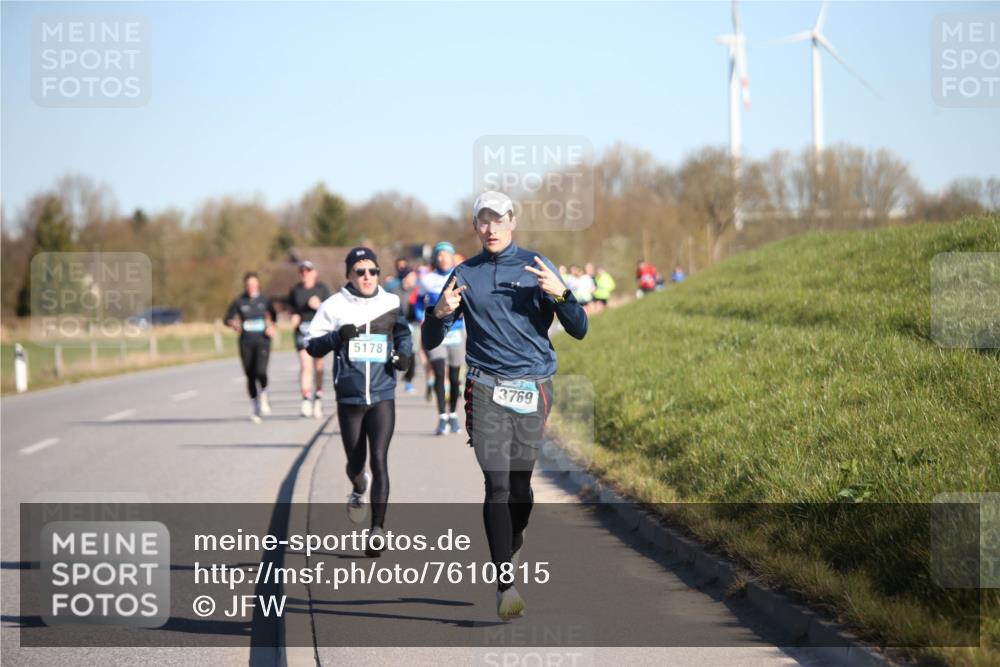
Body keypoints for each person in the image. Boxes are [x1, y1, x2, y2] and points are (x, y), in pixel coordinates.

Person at [422, 191, 588, 620]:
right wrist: (439, 313)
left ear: (513, 221)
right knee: (495, 484)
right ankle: (505, 583)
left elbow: (580, 329)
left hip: (532, 385)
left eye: (498, 219)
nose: (491, 228)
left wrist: (563, 295)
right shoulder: (464, 273)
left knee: (520, 488)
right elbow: (429, 340)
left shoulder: (537, 266)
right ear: (475, 226)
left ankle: (513, 540)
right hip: (484, 386)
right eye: (483, 220)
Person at [306, 247, 413, 557]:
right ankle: (357, 488)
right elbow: (311, 346)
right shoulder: (334, 306)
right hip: (350, 396)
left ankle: (377, 530)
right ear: (349, 275)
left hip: (382, 395)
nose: (367, 277)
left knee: (379, 459)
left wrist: (403, 355)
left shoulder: (391, 302)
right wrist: (337, 337)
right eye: (360, 271)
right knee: (357, 464)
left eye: (373, 271)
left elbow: (403, 335)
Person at [417, 241, 466, 435]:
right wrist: (425, 317)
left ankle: (453, 414)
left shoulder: (461, 276)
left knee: (455, 378)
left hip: (456, 332)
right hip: (437, 333)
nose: (441, 257)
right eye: (438, 254)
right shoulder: (427, 279)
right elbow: (418, 303)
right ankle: (442, 418)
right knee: (438, 372)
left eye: (445, 254)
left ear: (452, 256)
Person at [225, 272, 277, 423]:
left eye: (254, 284)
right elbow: (227, 318)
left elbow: (274, 316)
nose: (251, 287)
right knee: (250, 375)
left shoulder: (265, 300)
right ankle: (255, 405)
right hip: (246, 341)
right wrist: (233, 323)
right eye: (248, 285)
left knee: (261, 371)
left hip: (263, 340)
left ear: (258, 285)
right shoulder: (240, 301)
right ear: (245, 286)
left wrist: (272, 326)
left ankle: (264, 394)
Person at [287, 260, 332, 418]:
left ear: (314, 273)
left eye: (308, 271)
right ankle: (305, 398)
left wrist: (319, 305)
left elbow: (331, 311)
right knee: (305, 365)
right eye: (302, 271)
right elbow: (292, 309)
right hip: (302, 332)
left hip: (319, 332)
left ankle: (318, 397)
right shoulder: (295, 291)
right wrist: (293, 316)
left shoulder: (322, 289)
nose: (305, 273)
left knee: (318, 365)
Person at [388, 267, 419, 392]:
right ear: (406, 278)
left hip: (413, 324)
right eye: (412, 277)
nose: (414, 279)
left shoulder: (417, 292)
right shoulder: (394, 292)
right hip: (396, 325)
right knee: (393, 351)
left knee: (412, 352)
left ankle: (409, 379)